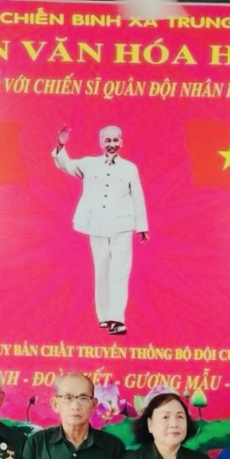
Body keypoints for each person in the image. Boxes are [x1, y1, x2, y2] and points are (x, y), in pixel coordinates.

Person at [51, 123, 148, 335]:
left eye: (116, 140)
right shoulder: (89, 164)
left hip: (122, 227)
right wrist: (61, 145)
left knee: (120, 272)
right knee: (102, 271)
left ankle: (117, 319)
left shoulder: (130, 168)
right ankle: (104, 316)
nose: (112, 144)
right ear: (101, 142)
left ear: (121, 142)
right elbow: (65, 165)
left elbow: (137, 196)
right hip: (97, 225)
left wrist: (142, 226)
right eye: (108, 140)